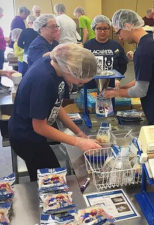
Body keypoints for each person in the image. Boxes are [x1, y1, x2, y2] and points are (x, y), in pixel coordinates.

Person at [8, 43, 100, 181]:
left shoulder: (55, 64)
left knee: (51, 175)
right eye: (80, 81)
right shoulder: (43, 79)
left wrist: (80, 133)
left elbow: (56, 106)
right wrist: (78, 142)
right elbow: (39, 126)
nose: (79, 84)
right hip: (25, 136)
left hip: (34, 132)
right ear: (70, 69)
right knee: (51, 179)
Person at [103, 9, 154, 125]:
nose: (119, 37)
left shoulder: (143, 50)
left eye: (118, 32)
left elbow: (140, 90)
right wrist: (123, 87)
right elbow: (146, 78)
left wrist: (115, 93)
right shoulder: (151, 40)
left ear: (127, 26)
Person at [84, 15, 128, 89]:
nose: (102, 31)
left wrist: (117, 79)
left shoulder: (116, 46)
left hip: (111, 84)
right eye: (99, 29)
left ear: (109, 29)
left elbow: (123, 65)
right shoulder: (87, 46)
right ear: (94, 29)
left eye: (105, 28)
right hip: (91, 85)